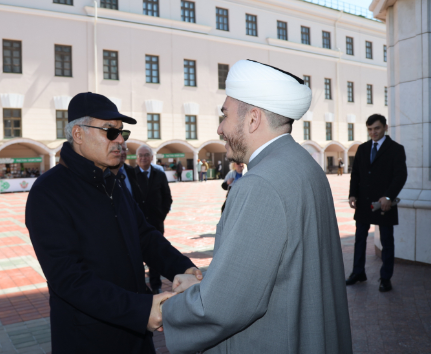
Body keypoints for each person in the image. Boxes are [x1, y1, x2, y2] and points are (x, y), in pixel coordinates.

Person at [162, 59, 352, 354]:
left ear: (252, 119)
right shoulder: (304, 164)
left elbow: (225, 305)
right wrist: (204, 283)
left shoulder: (260, 183)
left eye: (224, 115)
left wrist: (168, 309)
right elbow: (271, 268)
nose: (220, 128)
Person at [24, 92, 201, 354]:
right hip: (89, 338)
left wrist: (185, 269)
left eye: (122, 133)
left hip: (136, 336)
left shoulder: (112, 182)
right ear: (78, 134)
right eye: (110, 132)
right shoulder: (48, 192)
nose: (120, 140)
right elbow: (69, 278)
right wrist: (140, 310)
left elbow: (145, 237)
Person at [346, 114, 407, 293]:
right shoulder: (362, 149)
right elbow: (355, 173)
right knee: (359, 239)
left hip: (384, 204)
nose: (373, 132)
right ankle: (358, 273)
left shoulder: (396, 149)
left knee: (387, 241)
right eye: (370, 129)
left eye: (377, 128)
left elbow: (400, 175)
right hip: (363, 203)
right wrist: (352, 195)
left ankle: (385, 278)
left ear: (385, 128)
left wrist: (388, 197)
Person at [125, 145, 173, 294]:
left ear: (152, 157)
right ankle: (139, 286)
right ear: (136, 158)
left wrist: (161, 215)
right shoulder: (131, 175)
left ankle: (156, 285)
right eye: (140, 155)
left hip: (155, 222)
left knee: (155, 254)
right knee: (136, 255)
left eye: (146, 155)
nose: (143, 158)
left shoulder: (159, 174)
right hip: (137, 223)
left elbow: (167, 198)